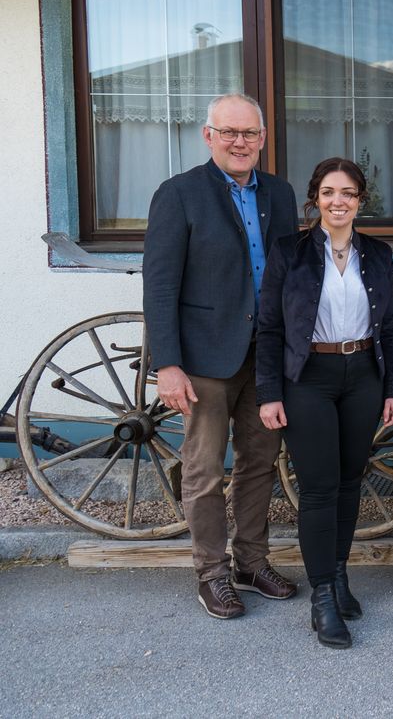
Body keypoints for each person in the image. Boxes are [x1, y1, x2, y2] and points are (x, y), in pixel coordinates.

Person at [143, 92, 299, 620]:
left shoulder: (279, 193)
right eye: (228, 132)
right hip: (203, 358)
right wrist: (167, 364)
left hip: (266, 355)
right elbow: (159, 286)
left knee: (259, 463)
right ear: (208, 136)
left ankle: (251, 563)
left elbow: (288, 273)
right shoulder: (179, 194)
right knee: (205, 469)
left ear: (262, 138)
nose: (239, 142)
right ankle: (211, 572)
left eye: (249, 133)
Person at [256, 157, 393, 649]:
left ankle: (339, 574)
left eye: (347, 193)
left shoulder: (377, 253)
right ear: (315, 199)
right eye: (328, 193)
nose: (337, 201)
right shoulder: (289, 251)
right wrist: (269, 394)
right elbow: (270, 328)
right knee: (319, 489)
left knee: (349, 482)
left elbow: (389, 327)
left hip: (363, 375)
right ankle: (322, 595)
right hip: (309, 379)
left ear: (361, 201)